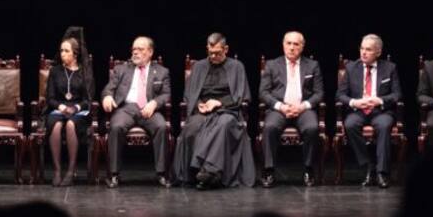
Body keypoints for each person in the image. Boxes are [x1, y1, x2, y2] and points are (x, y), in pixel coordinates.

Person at [172, 33, 255, 189]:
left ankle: (209, 170)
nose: (214, 56)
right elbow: (189, 94)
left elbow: (242, 95)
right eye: (210, 53)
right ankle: (196, 171)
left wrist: (218, 103)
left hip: (228, 110)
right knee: (191, 129)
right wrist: (199, 104)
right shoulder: (198, 67)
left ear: (226, 49)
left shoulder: (237, 67)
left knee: (223, 125)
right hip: (203, 111)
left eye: (218, 53)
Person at [100, 36, 171, 188]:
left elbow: (166, 94)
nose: (136, 52)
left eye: (140, 49)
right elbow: (108, 88)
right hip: (126, 108)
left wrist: (154, 103)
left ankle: (161, 173)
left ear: (150, 52)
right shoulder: (122, 69)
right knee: (116, 127)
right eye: (134, 49)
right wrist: (106, 97)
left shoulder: (162, 72)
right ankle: (114, 174)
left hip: (149, 109)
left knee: (162, 127)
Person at [258, 31, 323, 187]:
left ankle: (308, 169)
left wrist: (302, 107)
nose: (292, 47)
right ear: (283, 45)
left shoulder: (312, 65)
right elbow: (263, 92)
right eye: (289, 43)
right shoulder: (272, 65)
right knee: (270, 127)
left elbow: (319, 93)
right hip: (280, 109)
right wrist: (281, 107)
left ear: (302, 46)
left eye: (296, 44)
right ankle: (269, 170)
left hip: (303, 109)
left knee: (312, 127)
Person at [336, 34, 401, 188]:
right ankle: (368, 165)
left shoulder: (390, 68)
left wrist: (380, 100)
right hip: (358, 111)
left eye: (368, 50)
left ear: (378, 52)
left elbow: (397, 94)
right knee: (350, 125)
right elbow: (340, 94)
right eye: (362, 48)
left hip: (381, 111)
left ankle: (382, 172)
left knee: (384, 126)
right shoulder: (351, 67)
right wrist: (355, 102)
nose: (363, 52)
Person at [44, 29, 93, 186]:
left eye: (66, 51)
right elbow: (50, 98)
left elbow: (88, 99)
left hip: (79, 110)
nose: (62, 53)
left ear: (75, 54)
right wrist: (62, 106)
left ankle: (71, 171)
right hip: (59, 108)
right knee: (56, 125)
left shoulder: (85, 72)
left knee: (71, 125)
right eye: (61, 50)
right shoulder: (55, 71)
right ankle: (58, 171)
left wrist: (76, 107)